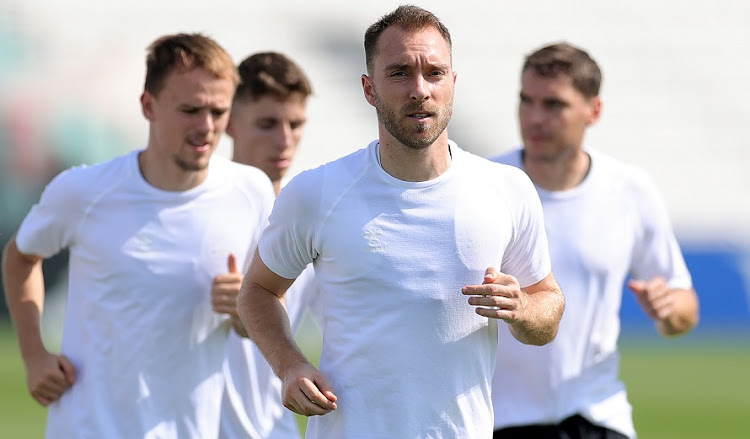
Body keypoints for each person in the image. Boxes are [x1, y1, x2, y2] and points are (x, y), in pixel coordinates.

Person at [237, 5, 566, 439]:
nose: (419, 90)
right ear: (369, 89)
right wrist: (289, 364)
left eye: (434, 72)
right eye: (398, 73)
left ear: (453, 82)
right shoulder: (317, 192)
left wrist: (523, 308)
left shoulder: (506, 189)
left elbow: (548, 305)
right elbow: (258, 291)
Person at [1, 33, 276, 438]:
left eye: (218, 112)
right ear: (148, 105)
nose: (206, 127)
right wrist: (34, 354)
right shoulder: (84, 191)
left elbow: (265, 310)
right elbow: (21, 257)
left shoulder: (251, 191)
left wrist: (243, 309)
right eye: (190, 109)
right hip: (88, 428)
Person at [490, 42, 699, 439]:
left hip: (599, 417)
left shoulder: (629, 190)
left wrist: (669, 309)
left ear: (594, 111)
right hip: (501, 420)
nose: (534, 118)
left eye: (554, 105)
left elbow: (685, 305)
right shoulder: (486, 184)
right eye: (526, 100)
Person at [212, 51, 319, 439]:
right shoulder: (196, 213)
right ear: (229, 122)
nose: (285, 140)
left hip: (276, 429)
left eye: (296, 123)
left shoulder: (311, 221)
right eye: (268, 124)